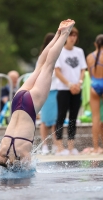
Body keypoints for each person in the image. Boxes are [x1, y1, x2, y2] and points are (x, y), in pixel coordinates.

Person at [0, 19, 75, 167]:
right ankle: (57, 34)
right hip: (17, 101)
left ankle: (64, 34)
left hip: (30, 104)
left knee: (47, 66)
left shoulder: (24, 154)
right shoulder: (2, 152)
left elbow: (28, 173)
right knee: (40, 66)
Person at [55, 27, 87, 156]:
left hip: (77, 88)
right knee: (61, 117)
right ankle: (59, 146)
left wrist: (78, 84)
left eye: (75, 35)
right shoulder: (60, 52)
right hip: (63, 89)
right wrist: (69, 85)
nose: (72, 38)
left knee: (73, 117)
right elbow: (57, 71)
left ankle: (71, 146)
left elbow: (82, 70)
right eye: (70, 35)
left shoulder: (79, 51)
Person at [38, 33, 58, 155]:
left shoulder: (60, 55)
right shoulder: (43, 56)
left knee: (56, 120)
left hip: (56, 89)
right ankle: (44, 145)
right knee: (44, 120)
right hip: (45, 90)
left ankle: (56, 144)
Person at [86, 34, 103, 155]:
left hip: (94, 85)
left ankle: (96, 148)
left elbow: (90, 75)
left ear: (95, 44)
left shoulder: (89, 57)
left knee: (95, 118)